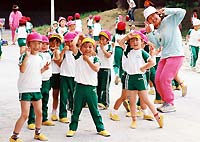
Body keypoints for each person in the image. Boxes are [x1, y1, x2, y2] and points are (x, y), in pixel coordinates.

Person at [144, 6, 186, 113]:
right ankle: (165, 101)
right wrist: (149, 33)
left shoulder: (170, 19)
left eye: (154, 15)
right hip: (165, 56)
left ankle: (170, 103)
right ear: (148, 22)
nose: (153, 18)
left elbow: (182, 12)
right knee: (157, 80)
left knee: (165, 79)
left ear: (158, 14)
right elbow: (158, 45)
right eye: (150, 18)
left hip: (176, 54)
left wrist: (167, 10)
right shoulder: (157, 31)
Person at [66, 36, 110, 137]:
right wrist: (79, 35)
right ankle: (72, 128)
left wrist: (87, 60)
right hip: (79, 87)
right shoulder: (78, 56)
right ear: (81, 48)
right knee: (76, 109)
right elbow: (73, 44)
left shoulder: (95, 58)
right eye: (85, 46)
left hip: (91, 88)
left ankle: (101, 128)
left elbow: (96, 69)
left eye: (90, 47)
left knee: (94, 110)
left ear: (93, 48)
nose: (87, 49)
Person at [118, 31, 163, 129]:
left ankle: (158, 117)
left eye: (137, 40)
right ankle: (134, 120)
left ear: (141, 41)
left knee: (146, 100)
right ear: (129, 43)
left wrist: (144, 67)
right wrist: (127, 36)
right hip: (130, 78)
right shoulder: (127, 51)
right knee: (132, 101)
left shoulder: (142, 52)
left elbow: (152, 63)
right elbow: (121, 43)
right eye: (132, 40)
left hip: (140, 78)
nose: (135, 42)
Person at [9, 32, 48, 142]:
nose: (37, 46)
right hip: (25, 89)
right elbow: (22, 69)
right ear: (28, 44)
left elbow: (38, 71)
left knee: (39, 113)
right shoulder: (24, 56)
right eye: (34, 43)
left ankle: (37, 133)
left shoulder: (40, 57)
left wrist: (44, 69)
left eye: (39, 43)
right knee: (25, 114)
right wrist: (27, 55)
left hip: (36, 88)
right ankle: (14, 137)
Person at [27, 35, 60, 130]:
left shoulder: (49, 53)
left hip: (47, 80)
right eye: (42, 44)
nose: (44, 46)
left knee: (45, 99)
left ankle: (44, 118)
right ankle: (31, 120)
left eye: (46, 44)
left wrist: (56, 49)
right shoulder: (36, 54)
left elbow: (57, 58)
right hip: (38, 80)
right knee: (35, 101)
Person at [58, 32, 77, 123]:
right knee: (63, 96)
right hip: (64, 75)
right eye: (67, 42)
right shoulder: (64, 50)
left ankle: (74, 114)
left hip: (74, 76)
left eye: (71, 41)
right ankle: (62, 115)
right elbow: (59, 60)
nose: (69, 44)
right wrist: (63, 51)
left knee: (74, 96)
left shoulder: (77, 51)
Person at [96, 30, 112, 109]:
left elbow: (108, 55)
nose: (101, 41)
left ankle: (105, 102)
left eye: (103, 39)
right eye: (100, 39)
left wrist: (103, 49)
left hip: (106, 69)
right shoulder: (98, 48)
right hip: (99, 68)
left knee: (104, 87)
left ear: (107, 40)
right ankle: (98, 101)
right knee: (97, 86)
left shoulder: (109, 47)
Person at [49, 34, 62, 121]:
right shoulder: (45, 50)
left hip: (56, 74)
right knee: (43, 94)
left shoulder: (60, 51)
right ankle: (41, 112)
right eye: (52, 42)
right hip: (47, 75)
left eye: (57, 43)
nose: (54, 45)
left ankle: (54, 112)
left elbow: (59, 63)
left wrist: (56, 52)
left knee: (55, 94)